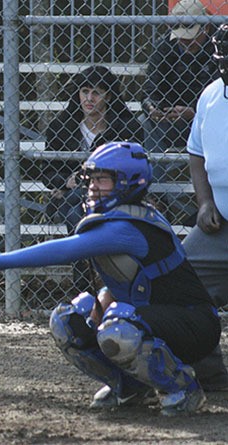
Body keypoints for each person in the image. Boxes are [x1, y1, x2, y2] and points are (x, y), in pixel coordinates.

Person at [0, 142, 220, 416]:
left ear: (129, 183)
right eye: (91, 179)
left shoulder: (129, 226)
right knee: (68, 320)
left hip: (194, 325)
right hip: (158, 319)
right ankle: (130, 386)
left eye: (102, 180)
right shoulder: (115, 218)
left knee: (119, 328)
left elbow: (66, 249)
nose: (93, 187)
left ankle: (183, 388)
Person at [44, 65, 143, 292]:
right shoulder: (61, 126)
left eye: (96, 92)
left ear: (108, 95)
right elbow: (47, 173)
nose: (89, 99)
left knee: (74, 211)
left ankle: (87, 287)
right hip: (74, 194)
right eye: (84, 91)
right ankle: (90, 285)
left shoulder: (126, 127)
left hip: (114, 195)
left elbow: (134, 169)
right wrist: (65, 182)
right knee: (74, 209)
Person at [179, 22, 228, 392]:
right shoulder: (212, 95)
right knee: (179, 282)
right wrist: (205, 201)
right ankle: (211, 377)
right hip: (221, 222)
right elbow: (196, 154)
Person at [141, 0, 216, 181]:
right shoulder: (165, 45)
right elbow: (150, 90)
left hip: (208, 116)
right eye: (180, 36)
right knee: (144, 122)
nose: (184, 41)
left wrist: (195, 111)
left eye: (190, 37)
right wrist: (153, 108)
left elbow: (221, 95)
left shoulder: (219, 47)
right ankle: (157, 189)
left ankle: (176, 190)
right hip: (172, 117)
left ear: (205, 28)